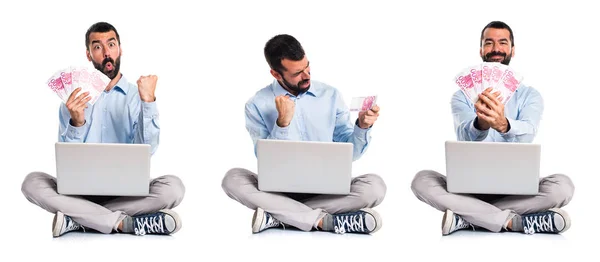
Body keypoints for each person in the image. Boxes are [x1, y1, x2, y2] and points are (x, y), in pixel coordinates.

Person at [21, 21, 185, 237]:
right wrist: (76, 123)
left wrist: (149, 103)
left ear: (120, 49)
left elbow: (148, 149)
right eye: (97, 47)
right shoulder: (72, 102)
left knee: (173, 188)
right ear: (89, 55)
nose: (106, 53)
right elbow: (67, 162)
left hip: (127, 194)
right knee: (32, 183)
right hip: (80, 194)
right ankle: (123, 223)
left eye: (111, 44)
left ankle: (79, 220)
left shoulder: (139, 96)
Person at [411, 21, 574, 236]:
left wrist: (503, 125)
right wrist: (482, 124)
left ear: (512, 50)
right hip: (470, 189)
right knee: (422, 180)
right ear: (481, 50)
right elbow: (463, 135)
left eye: (502, 42)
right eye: (489, 43)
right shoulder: (462, 96)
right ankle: (512, 222)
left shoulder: (530, 96)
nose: (496, 48)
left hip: (516, 190)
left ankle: (469, 218)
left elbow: (527, 134)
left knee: (563, 186)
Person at [222, 34, 386, 235]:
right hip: (278, 190)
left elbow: (351, 153)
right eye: (297, 73)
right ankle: (324, 221)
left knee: (375, 187)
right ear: (276, 74)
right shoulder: (256, 104)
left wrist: (361, 126)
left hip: (328, 190)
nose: (307, 75)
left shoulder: (331, 95)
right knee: (232, 179)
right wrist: (282, 123)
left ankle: (279, 216)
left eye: (307, 67)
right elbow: (266, 160)